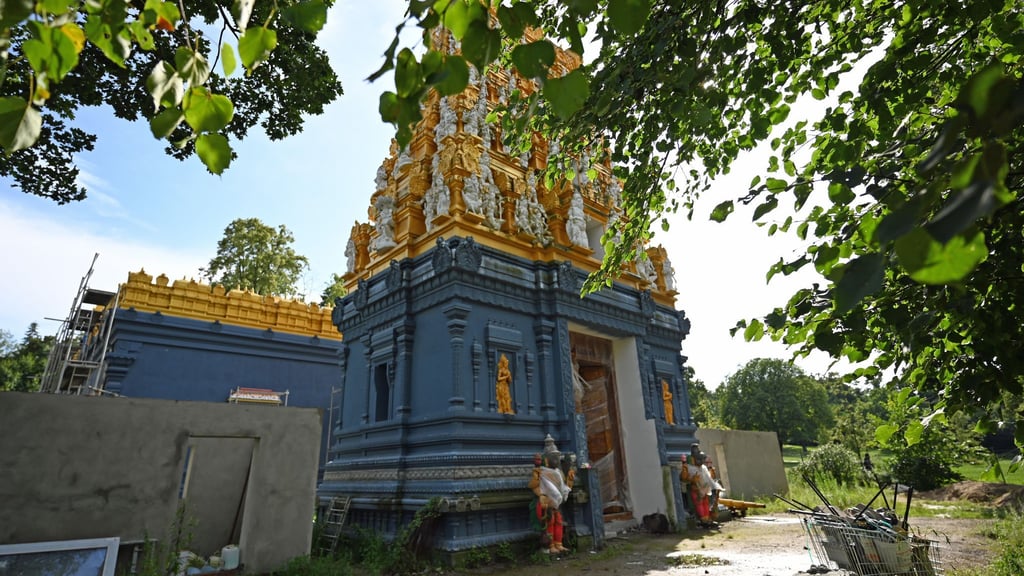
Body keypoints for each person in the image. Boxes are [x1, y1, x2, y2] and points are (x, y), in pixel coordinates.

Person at [529, 436, 575, 554]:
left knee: (558, 521)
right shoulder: (541, 472)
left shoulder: (558, 472)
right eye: (554, 458)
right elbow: (533, 486)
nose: (557, 460)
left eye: (558, 457)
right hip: (546, 502)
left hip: (556, 502)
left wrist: (569, 479)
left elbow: (563, 485)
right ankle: (550, 545)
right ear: (547, 460)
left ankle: (558, 543)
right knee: (550, 522)